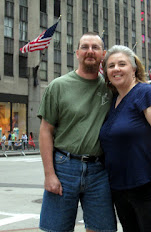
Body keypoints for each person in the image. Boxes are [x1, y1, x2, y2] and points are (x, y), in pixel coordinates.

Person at [38, 32, 116, 232]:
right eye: (85, 47)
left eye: (95, 47)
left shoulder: (112, 88)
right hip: (64, 167)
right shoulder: (58, 86)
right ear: (77, 53)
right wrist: (49, 175)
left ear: (103, 54)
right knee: (55, 229)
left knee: (102, 229)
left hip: (99, 170)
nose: (90, 51)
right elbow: (46, 131)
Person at [100, 45, 151, 232]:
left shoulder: (146, 93)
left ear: (134, 68)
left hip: (150, 186)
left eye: (121, 64)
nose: (116, 69)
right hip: (121, 189)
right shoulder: (114, 101)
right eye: (111, 66)